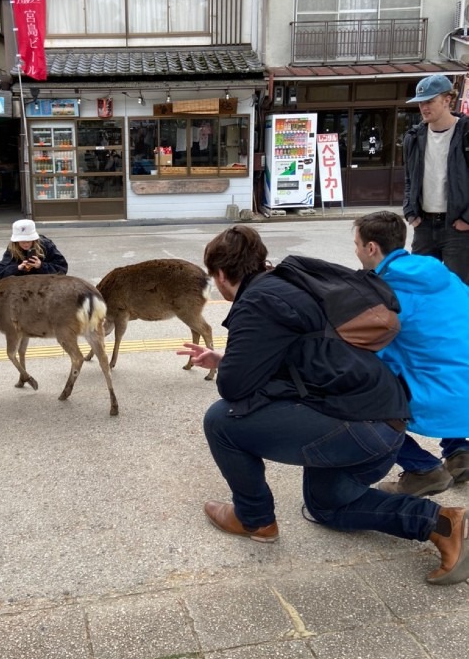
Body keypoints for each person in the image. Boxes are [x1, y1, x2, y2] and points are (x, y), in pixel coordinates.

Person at [178, 225, 469, 586]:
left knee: (221, 420)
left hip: (358, 426)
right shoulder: (293, 280)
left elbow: (234, 388)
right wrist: (225, 357)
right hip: (387, 422)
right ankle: (441, 523)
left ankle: (254, 519)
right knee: (327, 507)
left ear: (221, 275)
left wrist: (230, 366)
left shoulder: (256, 301)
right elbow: (301, 353)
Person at [354, 211, 469, 495]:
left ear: (371, 248)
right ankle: (460, 451)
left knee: (357, 393)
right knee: (438, 360)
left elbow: (370, 349)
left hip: (441, 393)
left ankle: (423, 470)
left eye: (356, 244)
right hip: (462, 383)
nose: (355, 251)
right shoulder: (441, 272)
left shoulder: (385, 290)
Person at [403, 74, 469, 282]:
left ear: (447, 100)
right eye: (421, 103)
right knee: (420, 286)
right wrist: (410, 212)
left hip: (457, 227)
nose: (424, 107)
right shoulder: (414, 137)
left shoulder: (465, 133)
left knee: (458, 289)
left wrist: (467, 219)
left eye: (430, 101)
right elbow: (408, 179)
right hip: (424, 225)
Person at [0, 219, 68, 280]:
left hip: (45, 284)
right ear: (17, 241)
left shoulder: (45, 245)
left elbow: (62, 268)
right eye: (22, 242)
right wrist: (17, 268)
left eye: (28, 241)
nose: (26, 244)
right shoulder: (13, 248)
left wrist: (41, 266)